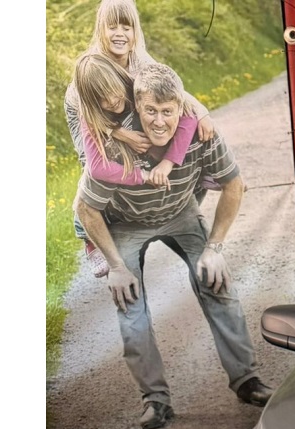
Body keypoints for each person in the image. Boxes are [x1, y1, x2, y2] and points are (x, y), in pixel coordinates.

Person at [74, 62, 273, 429]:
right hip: (126, 223)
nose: (159, 121)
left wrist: (215, 247)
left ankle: (247, 380)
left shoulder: (200, 132)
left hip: (181, 213)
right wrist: (115, 265)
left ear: (182, 108)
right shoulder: (115, 144)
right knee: (129, 302)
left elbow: (234, 184)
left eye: (168, 111)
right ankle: (155, 399)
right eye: (150, 111)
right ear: (137, 106)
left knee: (216, 281)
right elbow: (86, 208)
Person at [65, 0, 216, 276]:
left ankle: (172, 207)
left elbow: (173, 91)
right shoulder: (92, 66)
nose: (119, 34)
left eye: (127, 27)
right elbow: (89, 113)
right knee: (95, 165)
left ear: (136, 31)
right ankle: (89, 236)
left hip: (118, 105)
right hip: (88, 114)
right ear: (101, 29)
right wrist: (121, 134)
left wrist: (202, 111)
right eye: (112, 27)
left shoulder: (141, 60)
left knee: (155, 145)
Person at [72, 52, 198, 191]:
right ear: (92, 103)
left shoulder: (139, 86)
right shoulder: (89, 116)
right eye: (102, 98)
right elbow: (96, 168)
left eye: (113, 91)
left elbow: (189, 115)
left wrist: (168, 162)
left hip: (170, 163)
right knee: (88, 191)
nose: (112, 101)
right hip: (130, 181)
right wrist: (143, 176)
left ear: (119, 78)